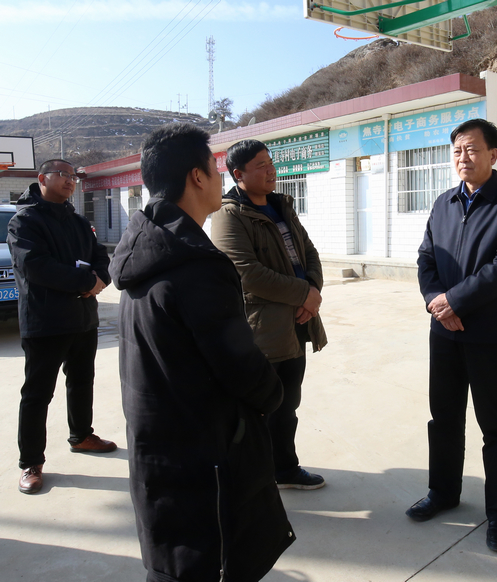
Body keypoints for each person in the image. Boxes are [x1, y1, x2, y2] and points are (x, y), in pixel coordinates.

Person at [110, 123, 294, 581]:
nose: (220, 180)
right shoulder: (196, 266)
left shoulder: (146, 247)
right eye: (215, 169)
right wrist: (274, 396)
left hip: (158, 445)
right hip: (200, 455)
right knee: (202, 562)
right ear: (196, 177)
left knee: (171, 561)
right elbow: (239, 363)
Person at [411, 118, 497, 553]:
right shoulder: (443, 203)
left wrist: (455, 302)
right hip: (444, 333)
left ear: (493, 154)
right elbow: (426, 258)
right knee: (443, 419)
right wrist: (435, 301)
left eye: (473, 150)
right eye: (458, 150)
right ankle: (442, 493)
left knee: (494, 428)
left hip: (488, 335)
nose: (463, 158)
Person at [211, 139, 328, 490]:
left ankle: (285, 469)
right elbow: (246, 272)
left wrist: (313, 292)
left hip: (297, 323)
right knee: (259, 408)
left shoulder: (282, 206)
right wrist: (304, 293)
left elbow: (308, 251)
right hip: (263, 329)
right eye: (260, 165)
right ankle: (252, 476)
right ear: (238, 174)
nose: (270, 169)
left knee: (288, 403)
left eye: (270, 162)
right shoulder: (228, 215)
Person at [8, 158, 115, 495]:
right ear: (42, 178)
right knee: (38, 393)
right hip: (46, 320)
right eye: (64, 176)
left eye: (73, 177)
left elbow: (101, 256)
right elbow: (36, 266)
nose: (71, 181)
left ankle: (81, 435)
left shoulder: (78, 221)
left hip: (83, 317)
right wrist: (85, 281)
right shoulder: (25, 221)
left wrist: (99, 279)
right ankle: (31, 463)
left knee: (82, 380)